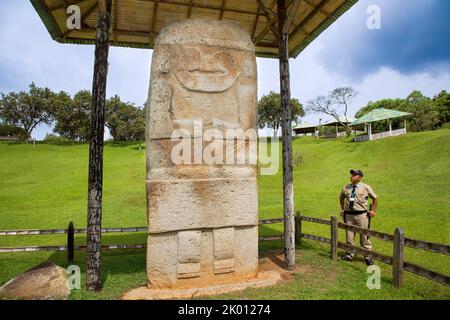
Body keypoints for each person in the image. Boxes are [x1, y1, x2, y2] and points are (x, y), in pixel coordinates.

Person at [340, 169, 378, 266]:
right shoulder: (346, 187)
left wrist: (373, 210)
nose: (352, 176)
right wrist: (342, 208)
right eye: (351, 174)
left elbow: (375, 198)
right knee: (349, 235)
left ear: (360, 177)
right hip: (348, 215)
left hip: (362, 215)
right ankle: (349, 254)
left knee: (364, 235)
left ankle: (367, 256)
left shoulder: (366, 187)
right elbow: (341, 197)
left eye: (354, 174)